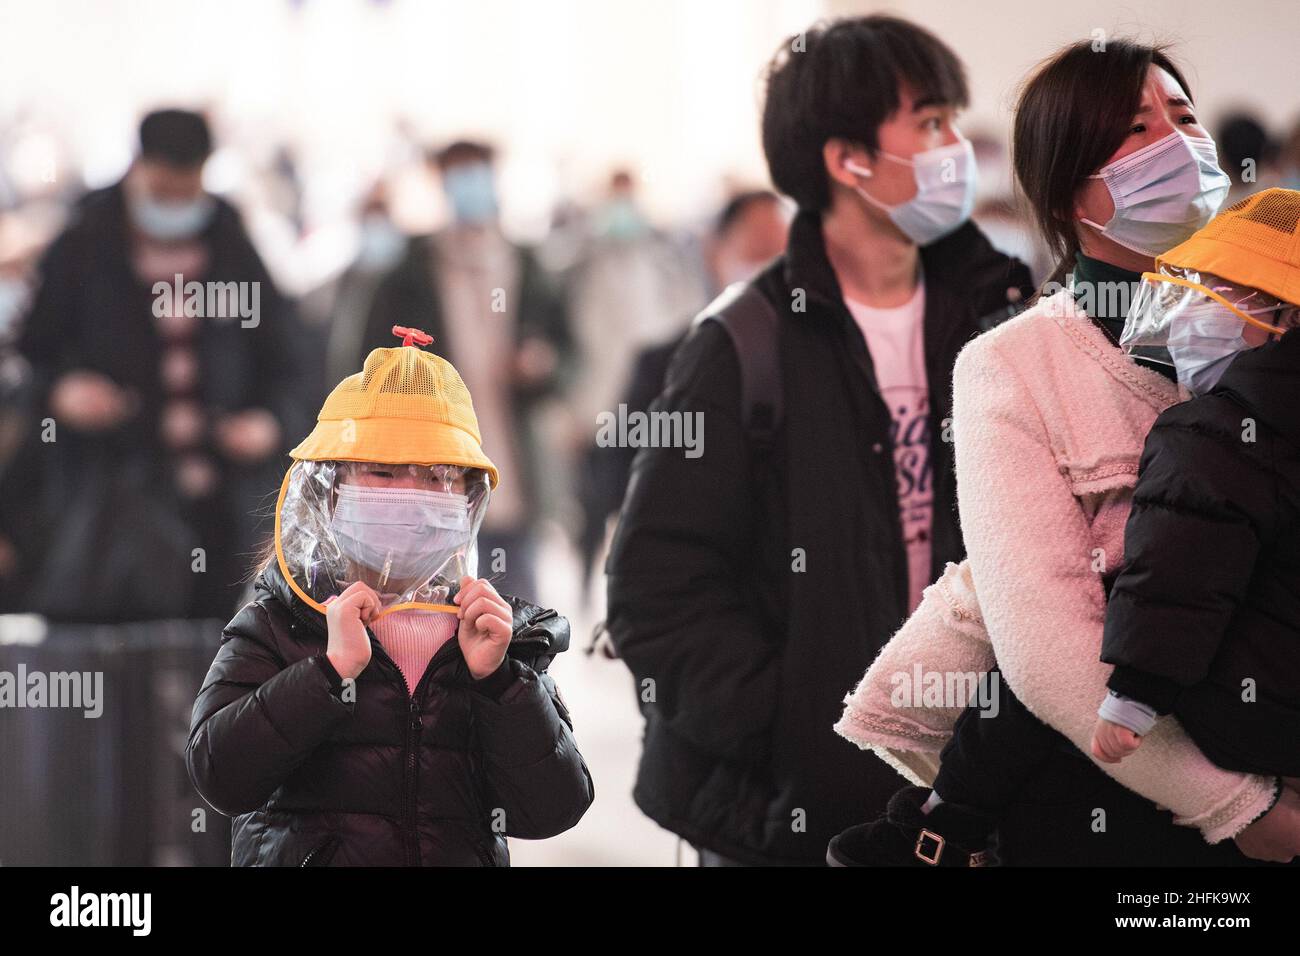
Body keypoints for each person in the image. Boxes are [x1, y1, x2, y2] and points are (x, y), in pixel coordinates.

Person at [834, 41, 1300, 866]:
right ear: (1067, 185)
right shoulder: (1014, 365)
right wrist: (1238, 809)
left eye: (1183, 116)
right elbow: (1047, 648)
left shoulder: (1282, 314)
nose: (1176, 142)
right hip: (1113, 796)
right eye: (1133, 129)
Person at [606, 15, 1032, 866]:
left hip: (970, 789)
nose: (958, 148)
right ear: (849, 162)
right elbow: (656, 584)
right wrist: (792, 719)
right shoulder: (744, 342)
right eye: (931, 123)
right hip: (795, 809)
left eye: (954, 120)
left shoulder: (1001, 313)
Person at [185, 328, 593, 866]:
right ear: (332, 491)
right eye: (381, 471)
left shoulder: (498, 640)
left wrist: (500, 684)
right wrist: (327, 674)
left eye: (437, 476)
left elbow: (550, 810)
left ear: (469, 503)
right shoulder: (283, 622)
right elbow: (221, 776)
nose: (410, 493)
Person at [13, 108, 306, 621]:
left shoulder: (230, 242)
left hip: (222, 508)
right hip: (108, 511)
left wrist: (270, 422)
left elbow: (288, 358)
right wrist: (63, 393)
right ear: (138, 169)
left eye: (186, 190)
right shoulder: (84, 243)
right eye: (164, 189)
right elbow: (31, 356)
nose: (175, 205)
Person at [1090, 190, 1300, 800]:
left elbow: (1177, 572)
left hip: (1256, 721)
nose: (1186, 313)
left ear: (1282, 318)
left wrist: (1135, 695)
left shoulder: (1211, 433)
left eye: (1215, 289)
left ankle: (943, 819)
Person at [362, 140, 572, 602]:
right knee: (434, 609)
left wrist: (541, 364)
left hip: (513, 463)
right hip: (432, 472)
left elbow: (566, 349)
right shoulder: (410, 272)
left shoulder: (528, 265)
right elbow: (368, 366)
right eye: (458, 176)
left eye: (477, 173)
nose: (470, 188)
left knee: (515, 610)